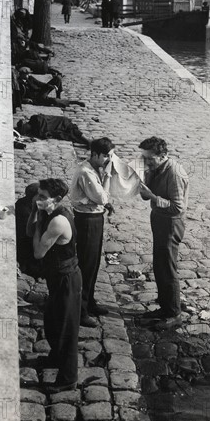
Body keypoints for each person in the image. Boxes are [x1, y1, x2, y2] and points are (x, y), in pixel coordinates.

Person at [26, 178, 82, 391]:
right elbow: (30, 233)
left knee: (67, 328)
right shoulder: (47, 212)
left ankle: (68, 378)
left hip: (67, 278)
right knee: (53, 321)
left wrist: (39, 220)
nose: (37, 199)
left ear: (56, 199)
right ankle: (55, 358)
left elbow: (38, 252)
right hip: (56, 276)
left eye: (41, 196)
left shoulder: (58, 220)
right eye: (37, 194)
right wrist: (35, 211)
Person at [138, 137, 189, 330]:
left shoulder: (174, 173)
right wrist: (144, 180)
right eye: (145, 158)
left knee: (168, 268)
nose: (146, 162)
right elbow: (145, 196)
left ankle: (174, 314)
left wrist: (153, 197)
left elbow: (177, 207)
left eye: (150, 159)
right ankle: (165, 307)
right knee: (159, 266)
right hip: (159, 219)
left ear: (163, 156)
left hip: (171, 223)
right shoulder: (156, 168)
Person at [70, 137, 115, 327]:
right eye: (105, 156)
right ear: (95, 154)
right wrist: (108, 177)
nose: (108, 160)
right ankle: (80, 310)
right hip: (87, 221)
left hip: (94, 218)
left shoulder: (94, 168)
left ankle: (90, 302)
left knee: (94, 262)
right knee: (87, 264)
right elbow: (101, 196)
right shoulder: (86, 172)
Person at [15, 182, 41, 276]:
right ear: (33, 197)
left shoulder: (21, 201)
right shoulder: (26, 211)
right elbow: (31, 231)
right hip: (26, 243)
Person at [16, 114, 90, 147]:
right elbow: (43, 133)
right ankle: (86, 142)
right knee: (69, 135)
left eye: (25, 127)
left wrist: (43, 132)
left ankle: (88, 141)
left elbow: (44, 122)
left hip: (59, 122)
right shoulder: (33, 131)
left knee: (72, 130)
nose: (26, 129)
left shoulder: (34, 119)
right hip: (56, 129)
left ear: (25, 122)